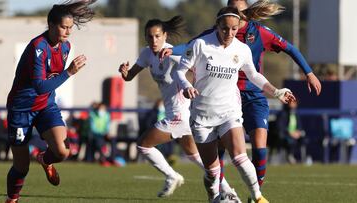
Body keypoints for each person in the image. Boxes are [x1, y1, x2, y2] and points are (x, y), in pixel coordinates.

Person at [164, 0, 321, 196]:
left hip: (246, 98)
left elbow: (267, 65)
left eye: (238, 13)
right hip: (211, 105)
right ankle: (220, 193)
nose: (229, 31)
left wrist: (303, 76)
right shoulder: (210, 36)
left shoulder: (254, 37)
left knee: (250, 149)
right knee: (214, 166)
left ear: (244, 14)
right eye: (231, 11)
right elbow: (189, 49)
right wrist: (174, 52)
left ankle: (257, 195)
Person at [118, 16, 238, 200]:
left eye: (158, 36)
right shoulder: (146, 54)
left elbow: (198, 67)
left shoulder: (173, 53)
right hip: (177, 114)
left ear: (165, 35)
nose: (154, 40)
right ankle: (228, 190)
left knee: (143, 145)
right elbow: (129, 76)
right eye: (150, 37)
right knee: (195, 156)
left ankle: (172, 176)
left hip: (180, 115)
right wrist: (124, 73)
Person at [5, 1, 95, 202]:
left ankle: (45, 159)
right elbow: (40, 86)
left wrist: (66, 73)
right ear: (51, 25)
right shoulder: (38, 47)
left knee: (63, 151)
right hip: (22, 109)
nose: (68, 32)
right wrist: (69, 72)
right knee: (21, 166)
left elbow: (47, 87)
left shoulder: (66, 46)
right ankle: (12, 198)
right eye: (64, 27)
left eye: (71, 28)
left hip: (45, 106)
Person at [277, 100, 307, 164]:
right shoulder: (283, 113)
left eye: (295, 103)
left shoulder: (296, 114)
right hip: (285, 135)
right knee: (290, 140)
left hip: (295, 134)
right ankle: (290, 155)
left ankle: (303, 158)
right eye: (292, 102)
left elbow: (299, 126)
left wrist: (298, 132)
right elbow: (281, 127)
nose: (293, 104)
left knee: (303, 139)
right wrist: (290, 133)